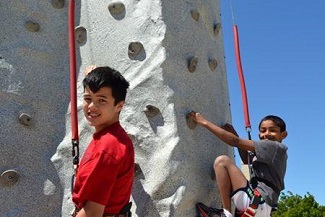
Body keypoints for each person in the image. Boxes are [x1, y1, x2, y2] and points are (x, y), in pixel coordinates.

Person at [187, 111, 288, 217]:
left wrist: (204, 122)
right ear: (259, 134)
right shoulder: (271, 153)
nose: (267, 133)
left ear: (283, 135)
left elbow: (235, 141)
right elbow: (246, 159)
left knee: (222, 162)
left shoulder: (275, 147)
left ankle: (226, 213)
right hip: (261, 208)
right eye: (263, 130)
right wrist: (235, 136)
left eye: (272, 130)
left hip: (258, 202)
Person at [72, 66, 134, 217]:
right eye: (88, 99)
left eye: (101, 100)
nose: (91, 107)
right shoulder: (115, 136)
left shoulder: (107, 149)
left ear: (119, 106)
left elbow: (92, 213)